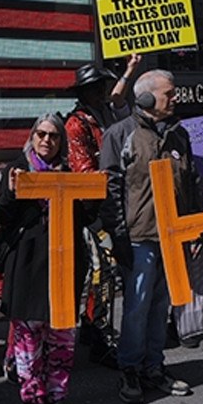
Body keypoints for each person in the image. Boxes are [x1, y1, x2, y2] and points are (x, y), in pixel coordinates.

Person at [99, 69, 197, 404]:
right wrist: (119, 236)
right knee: (137, 308)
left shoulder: (179, 135)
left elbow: (190, 182)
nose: (175, 98)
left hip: (171, 236)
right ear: (145, 97)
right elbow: (110, 189)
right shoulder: (119, 134)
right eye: (169, 93)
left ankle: (154, 366)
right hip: (138, 237)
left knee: (161, 306)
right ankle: (130, 367)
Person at [0, 112, 94, 404]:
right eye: (41, 134)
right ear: (32, 136)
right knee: (29, 336)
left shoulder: (69, 171)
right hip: (28, 264)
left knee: (62, 333)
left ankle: (58, 394)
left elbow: (87, 215)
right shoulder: (18, 169)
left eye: (53, 136)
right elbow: (1, 217)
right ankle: (33, 397)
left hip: (64, 262)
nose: (46, 141)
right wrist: (11, 193)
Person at [64, 56, 138, 359]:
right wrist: (122, 172)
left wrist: (131, 70)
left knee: (109, 269)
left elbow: (121, 99)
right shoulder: (76, 123)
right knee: (103, 269)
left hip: (114, 202)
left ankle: (94, 327)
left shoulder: (106, 114)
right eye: (100, 86)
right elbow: (84, 172)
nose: (105, 91)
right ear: (88, 91)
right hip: (92, 210)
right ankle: (99, 332)